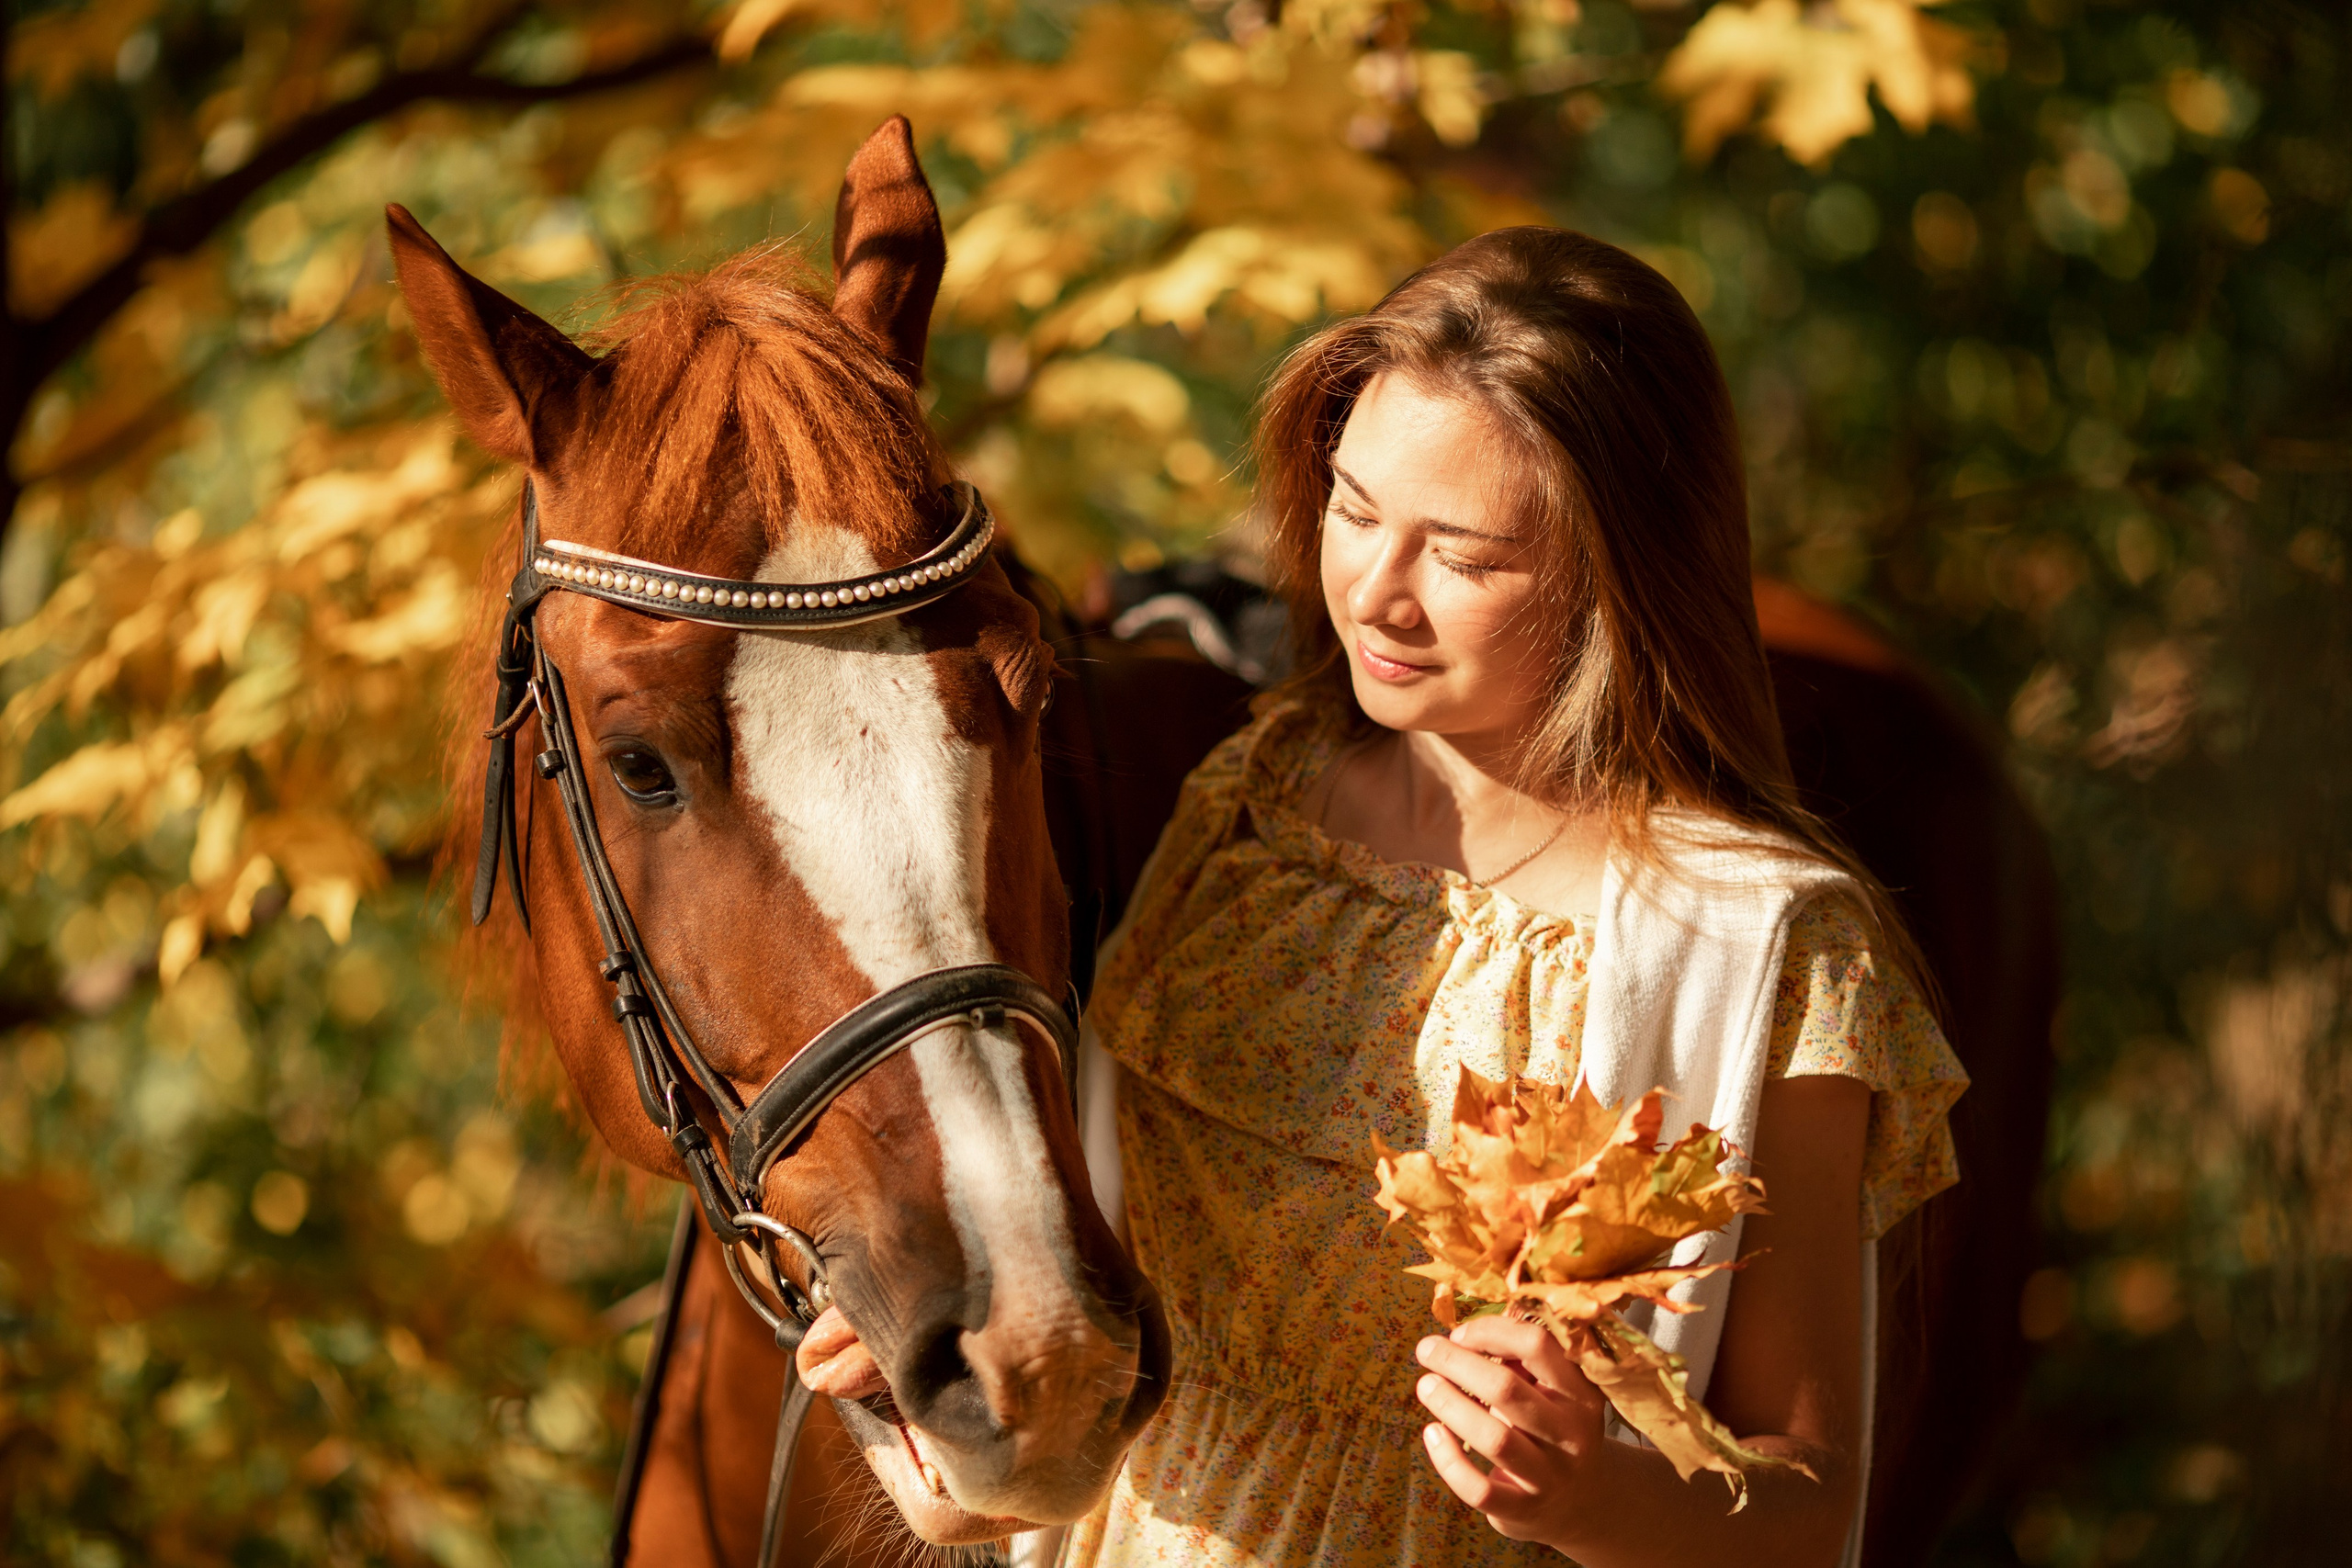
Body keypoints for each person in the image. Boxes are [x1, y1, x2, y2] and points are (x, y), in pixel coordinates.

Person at [1057, 227, 1967, 1568]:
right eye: (1356, 511)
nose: (1377, 591)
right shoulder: (1245, 803)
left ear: (1622, 571)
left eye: (1467, 558)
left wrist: (1593, 1496)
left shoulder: (1763, 949)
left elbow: (1808, 1507)